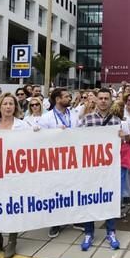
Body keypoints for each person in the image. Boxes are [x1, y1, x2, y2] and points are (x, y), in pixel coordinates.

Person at [0, 93, 31, 258]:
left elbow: (35, 143)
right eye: (5, 104)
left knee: (12, 206)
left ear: (15, 107)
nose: (8, 107)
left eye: (11, 104)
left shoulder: (23, 126)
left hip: (14, 174)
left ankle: (12, 240)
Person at [78, 88, 121, 251]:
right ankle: (89, 232)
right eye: (101, 98)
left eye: (106, 98)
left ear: (110, 100)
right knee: (89, 199)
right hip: (91, 169)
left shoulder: (116, 121)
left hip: (109, 170)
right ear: (96, 100)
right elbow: (75, 140)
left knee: (109, 199)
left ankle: (111, 232)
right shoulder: (86, 120)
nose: (103, 101)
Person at [39, 88, 78, 238]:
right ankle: (55, 222)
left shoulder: (74, 116)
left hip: (73, 159)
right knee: (55, 191)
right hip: (54, 161)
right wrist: (55, 132)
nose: (70, 99)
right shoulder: (47, 118)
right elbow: (40, 139)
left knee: (71, 189)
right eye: (67, 96)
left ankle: (73, 218)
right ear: (57, 99)